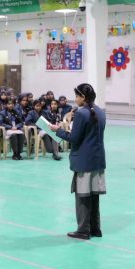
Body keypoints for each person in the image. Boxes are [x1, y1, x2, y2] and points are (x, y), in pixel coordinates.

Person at [56, 83, 106, 241]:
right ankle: (95, 228)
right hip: (97, 160)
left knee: (82, 196)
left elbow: (73, 138)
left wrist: (57, 130)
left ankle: (83, 230)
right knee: (94, 196)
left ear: (83, 97)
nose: (75, 99)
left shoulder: (82, 114)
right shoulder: (99, 111)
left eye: (77, 96)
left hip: (84, 161)